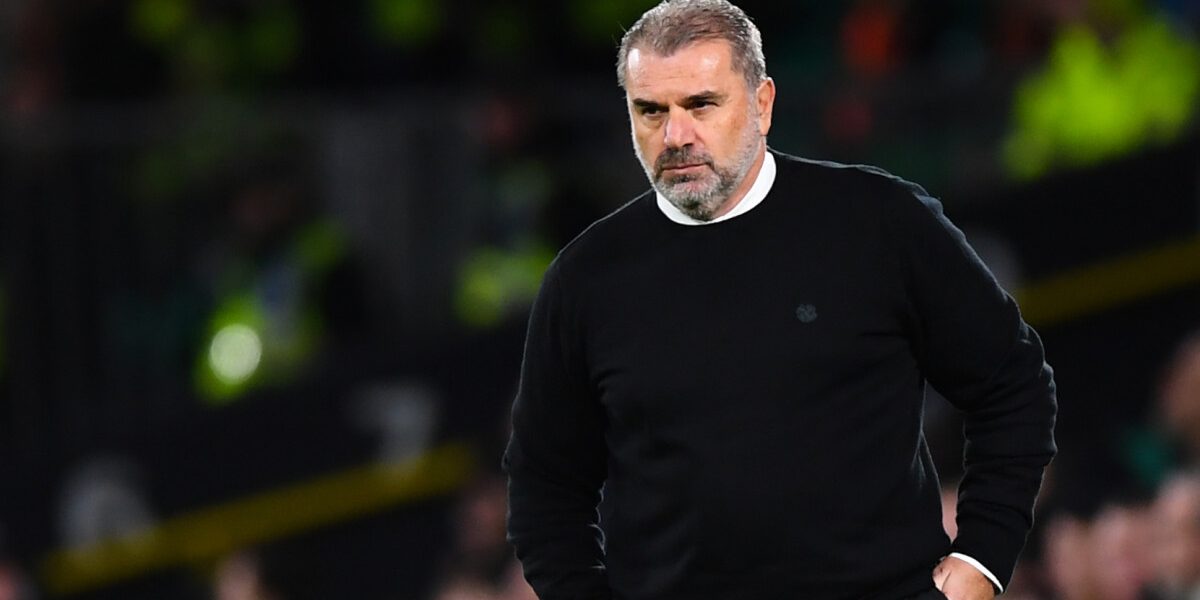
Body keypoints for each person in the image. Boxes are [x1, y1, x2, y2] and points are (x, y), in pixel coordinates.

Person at [502, 1, 1057, 598]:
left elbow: (1013, 384)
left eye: (701, 104)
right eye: (651, 111)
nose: (676, 135)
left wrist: (983, 556)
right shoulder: (584, 280)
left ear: (763, 103)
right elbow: (544, 485)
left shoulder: (879, 224)